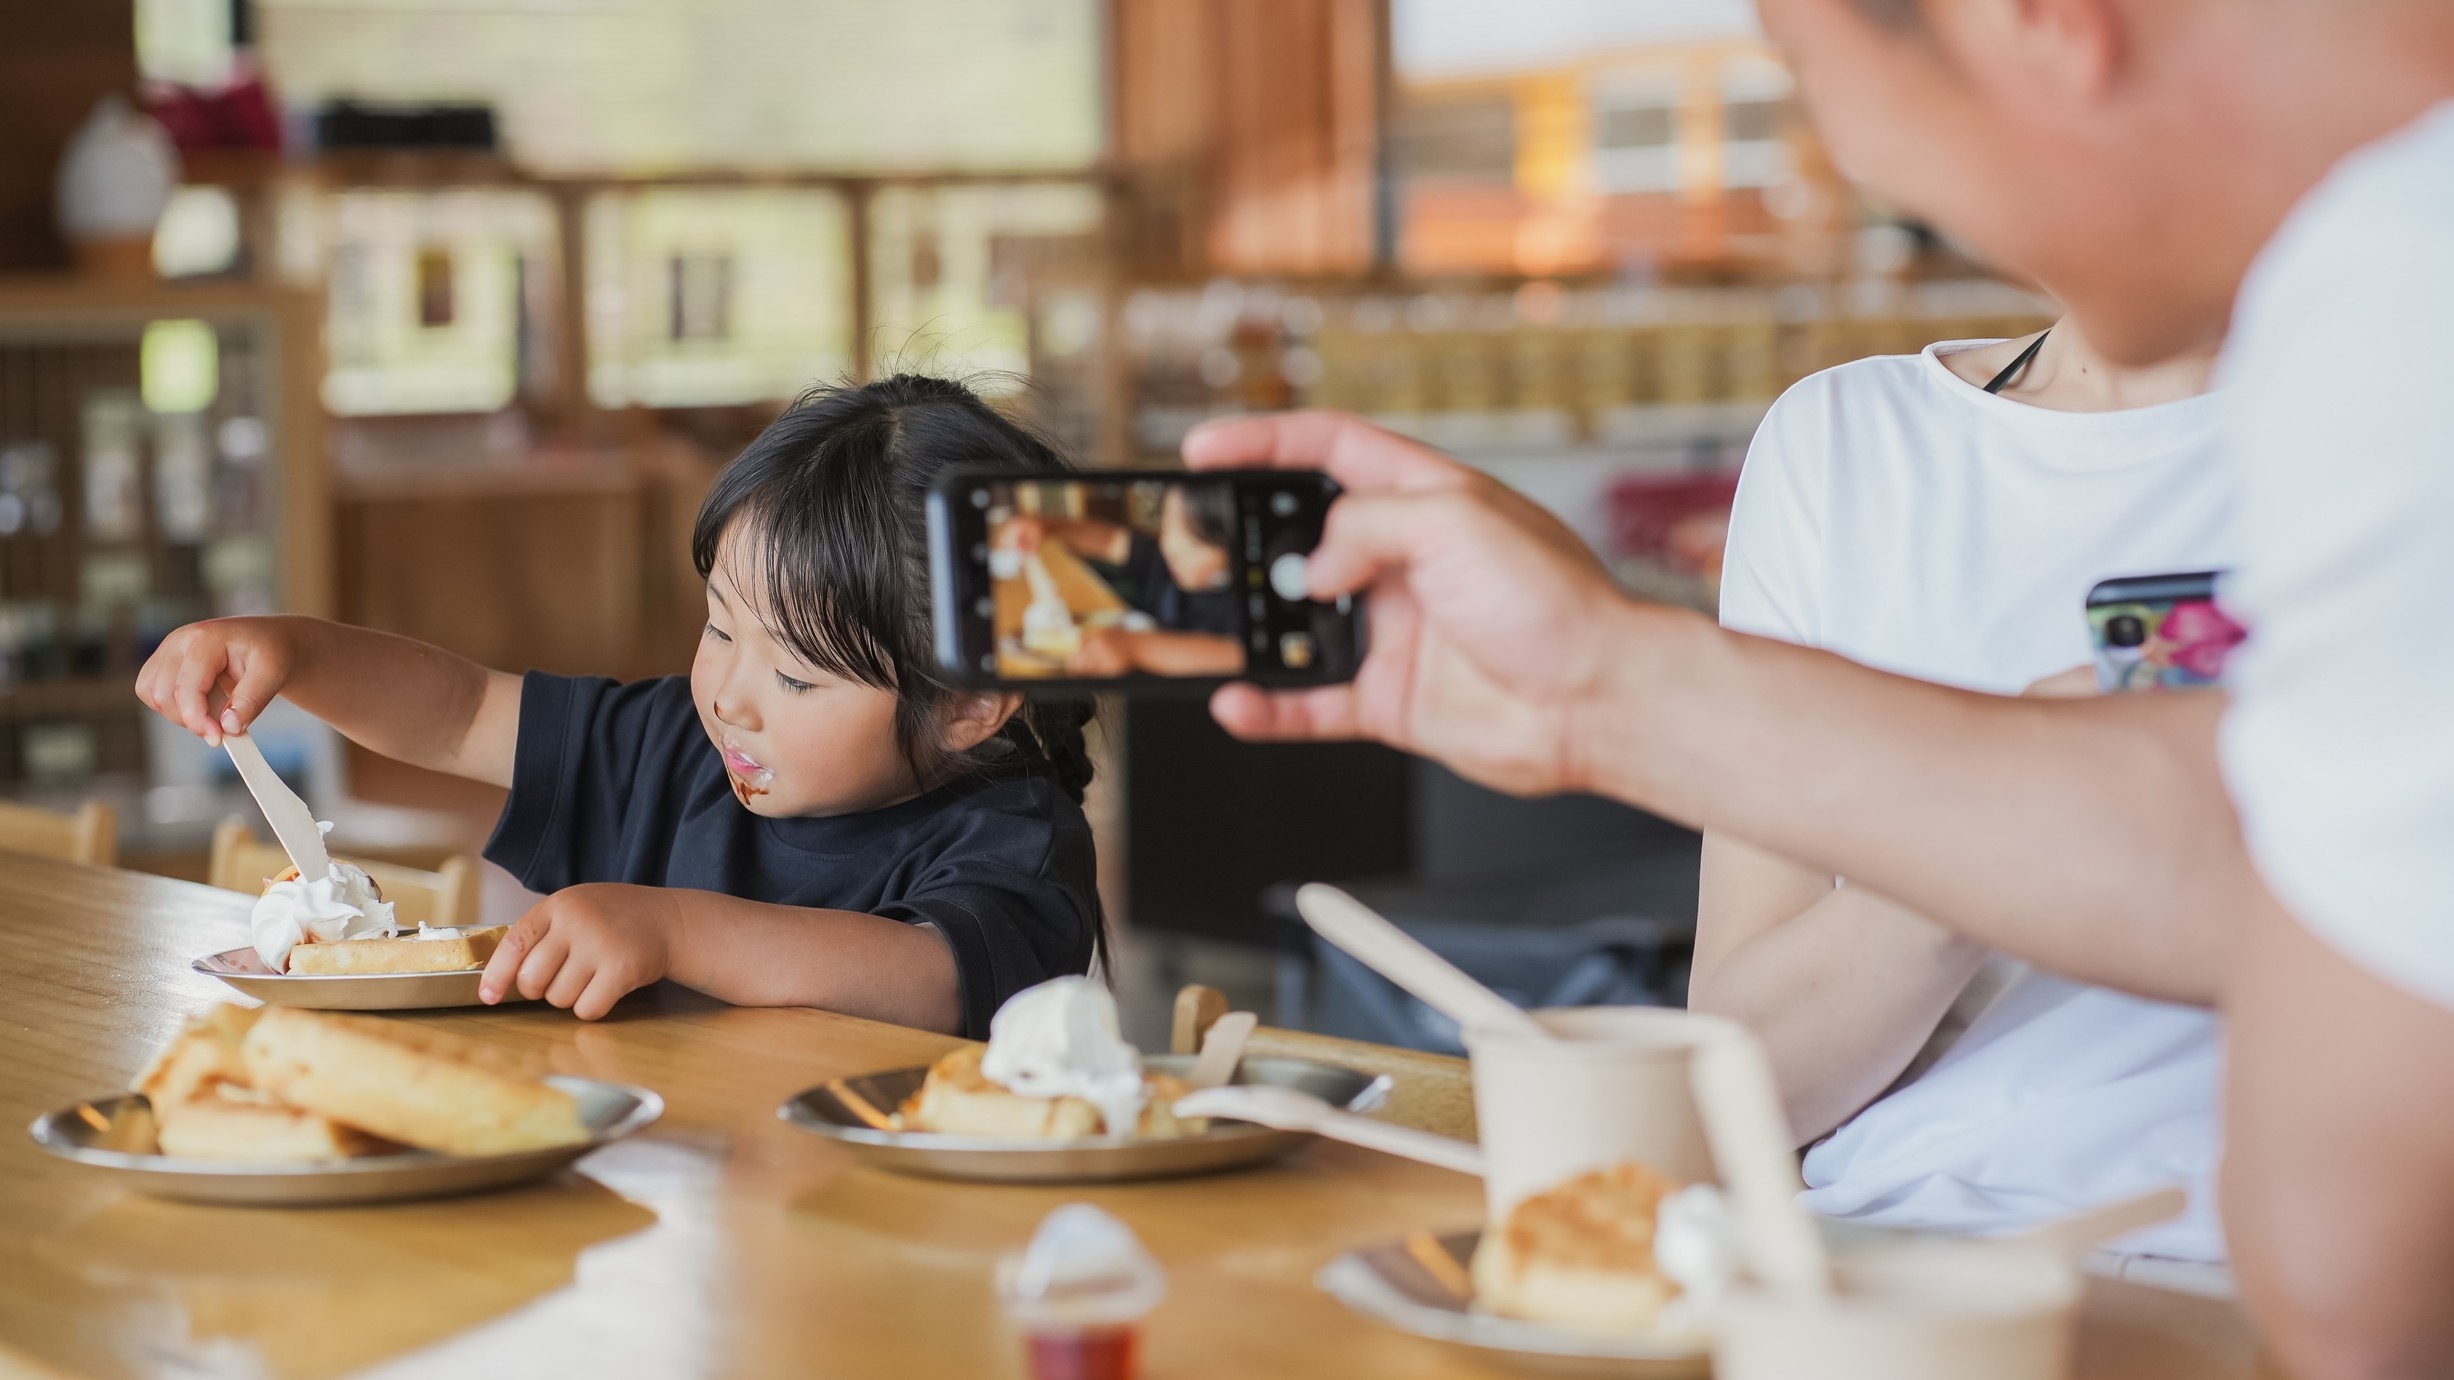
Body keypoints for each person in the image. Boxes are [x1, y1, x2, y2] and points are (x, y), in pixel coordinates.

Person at [1183, 2, 2454, 1374]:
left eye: (1804, 67)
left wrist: (1612, 687)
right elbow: (2208, 822)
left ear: (2034, 27)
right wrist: (1601, 682)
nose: (1862, 175)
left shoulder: (2392, 304)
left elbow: (2354, 1288)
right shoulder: (2365, 289)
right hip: (1861, 1270)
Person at [138, 375, 1104, 1039]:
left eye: (799, 676)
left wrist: (674, 930)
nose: (730, 697)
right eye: (721, 629)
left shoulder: (1014, 837)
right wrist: (301, 653)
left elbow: (933, 979)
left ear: (969, 703)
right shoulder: (677, 750)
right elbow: (462, 709)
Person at [1695, 319, 2233, 1275]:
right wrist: (1990, 836)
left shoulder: (2399, 438)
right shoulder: (1848, 442)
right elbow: (1744, 1086)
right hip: (1897, 1264)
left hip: (2289, 1283)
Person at [999, 484, 1245, 676]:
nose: (1171, 546)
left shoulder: (1237, 608)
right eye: (1168, 528)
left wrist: (1134, 647)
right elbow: (1110, 541)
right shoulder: (1168, 563)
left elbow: (1234, 656)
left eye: (1194, 543)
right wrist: (1047, 526)